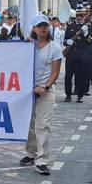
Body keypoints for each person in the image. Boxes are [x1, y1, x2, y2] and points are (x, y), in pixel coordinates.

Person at [18, 14, 62, 174]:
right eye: (39, 26)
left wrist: (45, 86)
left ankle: (42, 160)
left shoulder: (55, 47)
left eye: (45, 25)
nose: (43, 28)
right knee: (29, 123)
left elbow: (55, 72)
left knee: (43, 125)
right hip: (28, 90)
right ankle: (31, 153)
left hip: (46, 90)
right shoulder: (28, 46)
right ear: (34, 29)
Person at [62, 17, 92, 103]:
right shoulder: (70, 26)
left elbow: (90, 41)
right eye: (78, 16)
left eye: (81, 16)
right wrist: (69, 41)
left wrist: (86, 33)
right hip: (71, 55)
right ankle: (68, 95)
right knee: (68, 76)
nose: (79, 18)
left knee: (80, 76)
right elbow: (64, 41)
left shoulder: (88, 27)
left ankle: (80, 95)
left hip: (82, 56)